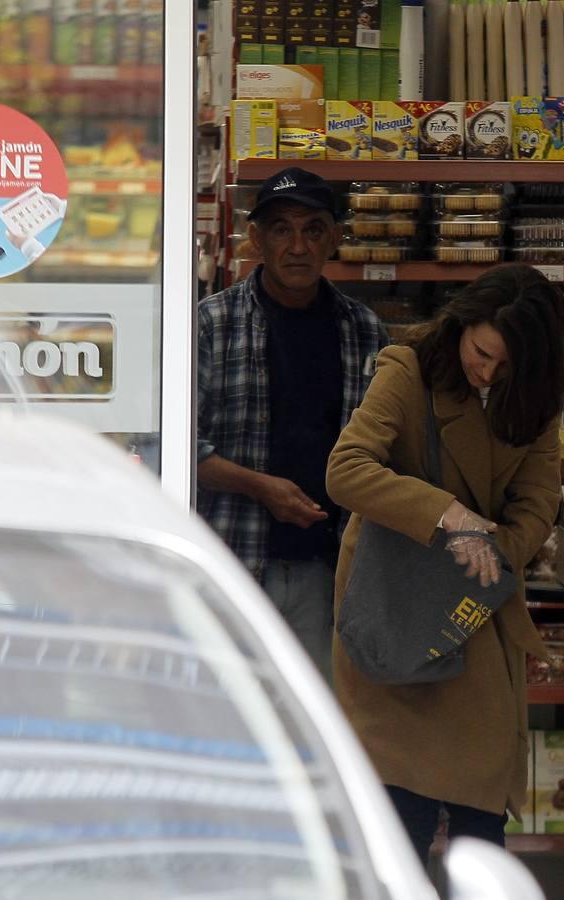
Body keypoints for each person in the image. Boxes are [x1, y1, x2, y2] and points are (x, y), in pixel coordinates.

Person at [325, 265, 564, 861]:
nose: (487, 372)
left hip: (474, 611)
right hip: (396, 609)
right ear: (461, 324)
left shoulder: (538, 396)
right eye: (481, 352)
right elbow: (346, 469)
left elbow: (538, 504)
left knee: (479, 821)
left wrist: (490, 553)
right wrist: (448, 517)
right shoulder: (407, 370)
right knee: (397, 817)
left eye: (504, 365)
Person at [196, 166, 388, 677]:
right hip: (231, 563)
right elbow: (177, 448)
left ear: (335, 239)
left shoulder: (365, 332)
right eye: (282, 229)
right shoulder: (212, 324)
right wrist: (259, 487)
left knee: (313, 729)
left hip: (327, 573)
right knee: (227, 720)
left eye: (313, 229)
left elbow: (387, 454)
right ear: (257, 239)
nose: (297, 246)